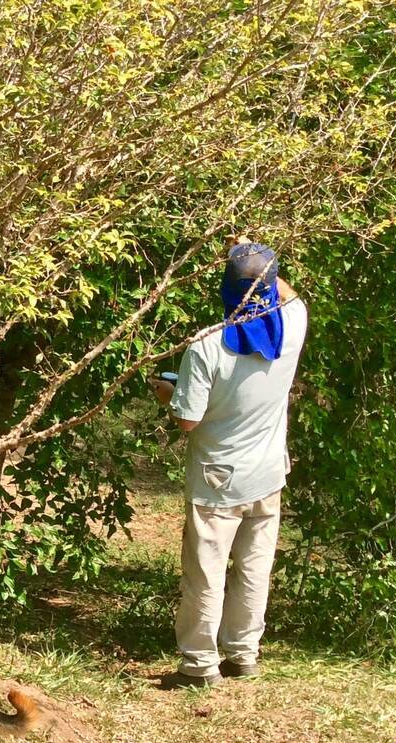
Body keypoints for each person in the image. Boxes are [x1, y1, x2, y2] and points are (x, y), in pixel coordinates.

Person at [149, 240, 308, 688]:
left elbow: (187, 420)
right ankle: (243, 654)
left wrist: (167, 393)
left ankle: (199, 666)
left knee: (206, 572)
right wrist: (254, 255)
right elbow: (290, 295)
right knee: (256, 567)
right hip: (268, 473)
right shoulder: (291, 327)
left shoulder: (206, 345)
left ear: (226, 288)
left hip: (218, 480)